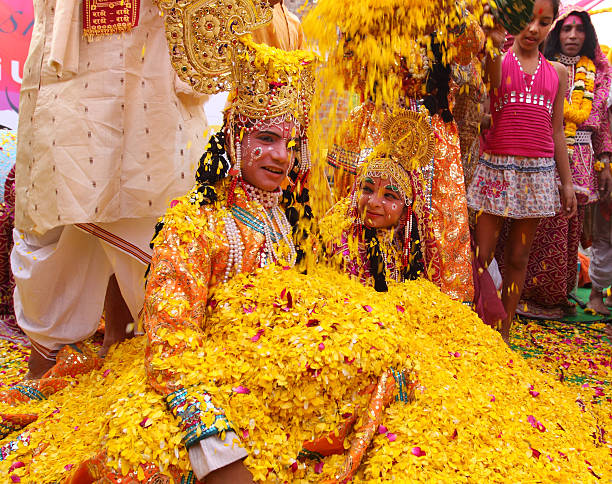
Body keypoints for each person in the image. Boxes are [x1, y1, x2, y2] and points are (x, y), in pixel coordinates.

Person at [12, 0, 207, 378]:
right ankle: (47, 356)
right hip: (75, 55)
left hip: (155, 47)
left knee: (148, 204)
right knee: (61, 198)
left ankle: (129, 339)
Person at [324, 7, 488, 303]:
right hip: (380, 129)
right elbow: (346, 73)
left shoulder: (445, 14)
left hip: (433, 136)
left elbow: (472, 47)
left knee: (433, 229)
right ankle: (361, 307)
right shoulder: (370, 12)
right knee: (368, 216)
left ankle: (430, 313)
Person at [467, 0, 577, 343]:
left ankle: (503, 333)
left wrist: (567, 183)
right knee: (481, 255)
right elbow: (481, 107)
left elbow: (556, 129)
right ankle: (475, 328)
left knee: (518, 257)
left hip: (537, 175)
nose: (533, 29)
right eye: (528, 20)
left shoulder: (558, 73)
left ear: (551, 25)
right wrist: (481, 118)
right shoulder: (496, 62)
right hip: (495, 171)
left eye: (543, 22)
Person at [506, 6, 612, 318]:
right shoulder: (539, 65)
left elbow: (603, 121)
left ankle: (554, 297)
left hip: (580, 160)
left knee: (569, 227)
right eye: (566, 29)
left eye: (579, 30)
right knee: (537, 224)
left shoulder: (598, 71)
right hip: (539, 152)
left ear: (588, 35)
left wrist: (605, 159)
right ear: (556, 31)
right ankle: (524, 293)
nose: (573, 35)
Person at [319, 110, 431, 289]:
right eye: (367, 189)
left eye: (389, 195)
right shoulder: (339, 242)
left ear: (406, 211)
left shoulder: (406, 246)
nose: (373, 202)